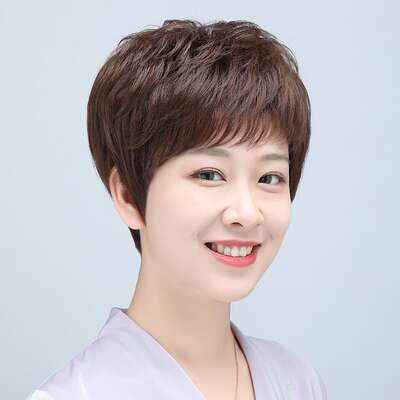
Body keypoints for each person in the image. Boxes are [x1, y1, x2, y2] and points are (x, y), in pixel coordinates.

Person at [27, 19, 327, 400]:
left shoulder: (298, 382)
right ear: (128, 196)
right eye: (209, 174)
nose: (247, 213)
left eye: (269, 178)